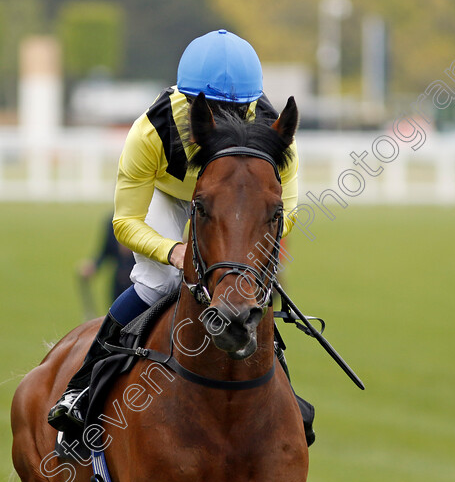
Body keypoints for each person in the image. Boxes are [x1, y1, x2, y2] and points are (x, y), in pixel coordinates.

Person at [48, 29, 300, 431]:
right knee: (157, 284)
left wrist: (241, 250)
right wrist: (173, 251)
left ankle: (284, 391)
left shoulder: (274, 134)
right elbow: (125, 221)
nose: (225, 120)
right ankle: (82, 386)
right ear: (189, 101)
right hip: (168, 194)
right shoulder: (150, 133)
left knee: (250, 286)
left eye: (237, 110)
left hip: (234, 200)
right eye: (214, 108)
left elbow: (286, 210)